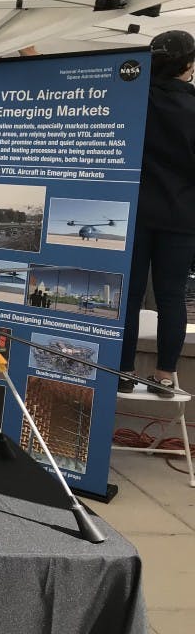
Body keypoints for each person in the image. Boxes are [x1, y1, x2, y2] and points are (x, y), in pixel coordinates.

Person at [119, 30, 195, 396]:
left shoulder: (133, 100)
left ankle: (122, 370)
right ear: (189, 66)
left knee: (129, 295)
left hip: (134, 213)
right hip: (182, 216)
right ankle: (165, 376)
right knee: (171, 296)